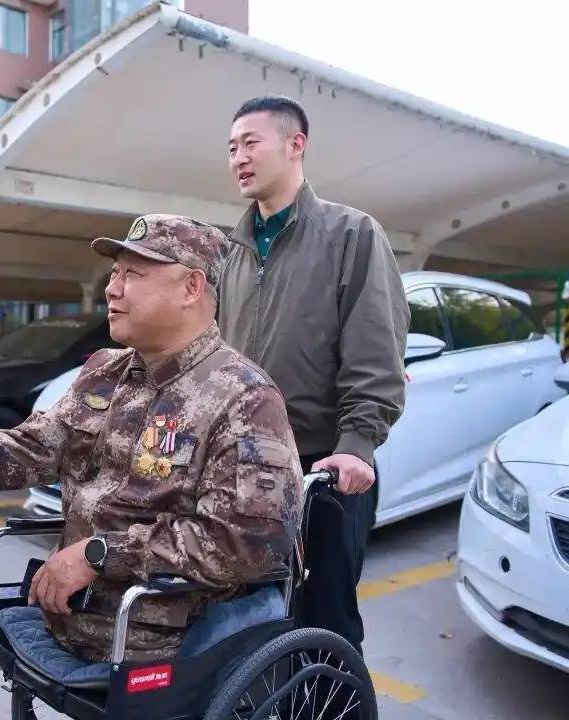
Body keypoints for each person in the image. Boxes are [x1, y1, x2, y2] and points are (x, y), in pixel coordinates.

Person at [0, 215, 303, 664]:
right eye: (114, 274)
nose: (112, 289)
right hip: (66, 617)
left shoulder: (244, 398)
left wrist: (101, 554)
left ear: (191, 288)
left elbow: (248, 542)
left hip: (155, 645)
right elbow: (32, 449)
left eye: (133, 274)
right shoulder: (104, 372)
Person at [217, 95, 409, 654]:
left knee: (324, 622)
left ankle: (334, 698)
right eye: (231, 147)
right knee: (243, 618)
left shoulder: (351, 234)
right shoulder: (231, 251)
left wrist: (357, 444)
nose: (238, 157)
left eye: (250, 143)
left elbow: (376, 348)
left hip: (321, 469)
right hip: (239, 467)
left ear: (295, 144)